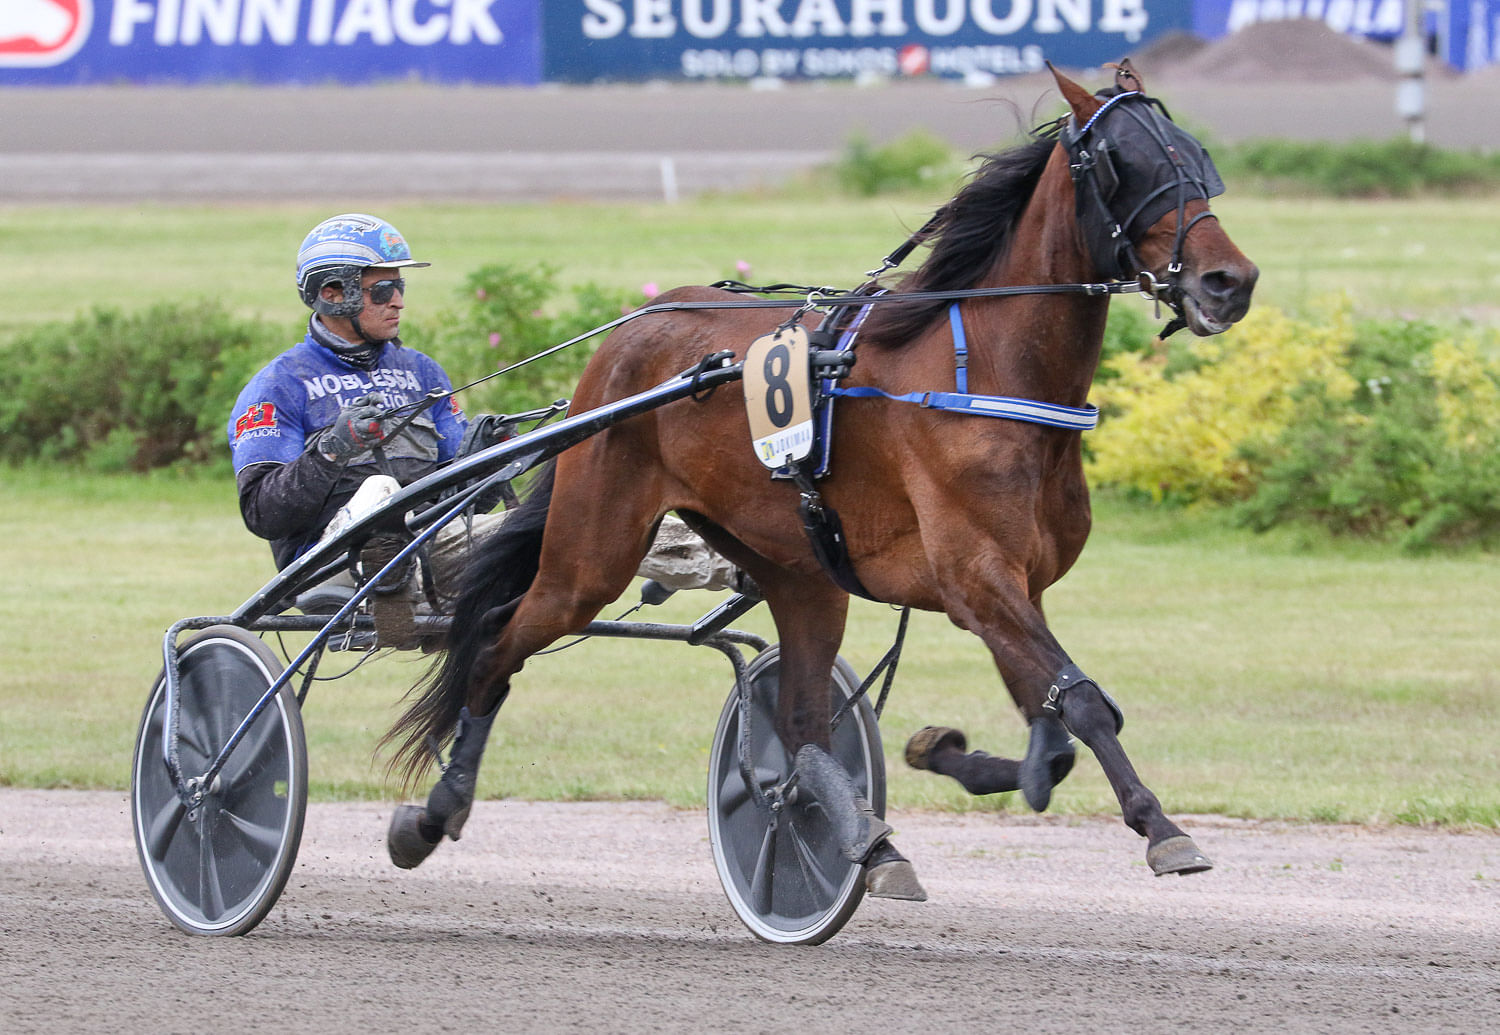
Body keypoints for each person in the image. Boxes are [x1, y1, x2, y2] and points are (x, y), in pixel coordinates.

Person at [227, 213, 738, 647]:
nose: (399, 301)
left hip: (433, 552)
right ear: (332, 293)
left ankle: (746, 566)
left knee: (604, 518)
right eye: (382, 289)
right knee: (379, 491)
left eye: (400, 287)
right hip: (328, 565)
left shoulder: (421, 373)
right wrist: (335, 449)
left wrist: (486, 463)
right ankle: (363, 589)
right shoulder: (280, 384)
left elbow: (468, 505)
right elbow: (263, 512)